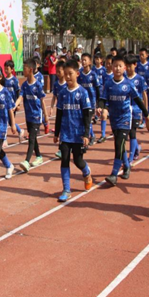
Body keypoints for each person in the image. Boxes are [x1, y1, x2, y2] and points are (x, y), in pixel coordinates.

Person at [99, 56, 149, 185]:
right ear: (111, 67)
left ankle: (114, 174)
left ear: (124, 68)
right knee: (119, 144)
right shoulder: (109, 84)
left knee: (119, 144)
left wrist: (146, 113)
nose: (117, 68)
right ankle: (126, 166)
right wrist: (100, 107)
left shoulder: (128, 84)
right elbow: (103, 99)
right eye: (115, 66)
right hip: (114, 118)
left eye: (120, 66)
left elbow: (138, 99)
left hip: (125, 118)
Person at [53, 59, 93, 202]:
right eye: (66, 74)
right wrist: (56, 133)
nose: (68, 77)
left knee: (77, 160)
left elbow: (87, 115)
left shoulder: (82, 93)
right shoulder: (63, 93)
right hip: (65, 133)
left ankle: (86, 172)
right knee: (64, 159)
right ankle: (66, 189)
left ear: (77, 74)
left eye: (70, 74)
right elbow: (59, 114)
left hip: (78, 134)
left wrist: (86, 134)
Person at [18, 59, 48, 172]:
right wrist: (14, 105)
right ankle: (39, 156)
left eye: (24, 68)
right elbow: (20, 97)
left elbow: (42, 101)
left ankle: (27, 160)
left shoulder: (38, 85)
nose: (23, 70)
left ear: (30, 70)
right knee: (33, 137)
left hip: (36, 116)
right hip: (28, 116)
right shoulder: (24, 85)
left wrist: (45, 115)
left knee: (31, 138)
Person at [125, 54, 148, 164]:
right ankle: (137, 148)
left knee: (132, 131)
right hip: (125, 109)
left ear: (135, 65)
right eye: (127, 66)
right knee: (127, 132)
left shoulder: (140, 79)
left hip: (136, 109)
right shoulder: (123, 78)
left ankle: (130, 157)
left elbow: (144, 95)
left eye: (130, 66)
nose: (128, 68)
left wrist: (145, 111)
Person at [78, 53, 101, 146]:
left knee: (88, 119)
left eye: (85, 60)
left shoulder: (93, 75)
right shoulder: (79, 74)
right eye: (82, 60)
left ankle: (91, 136)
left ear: (89, 62)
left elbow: (97, 89)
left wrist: (98, 104)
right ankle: (88, 135)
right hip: (81, 101)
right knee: (83, 119)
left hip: (91, 102)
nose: (83, 62)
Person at [4, 60, 24, 142]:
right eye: (5, 68)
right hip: (5, 104)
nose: (6, 70)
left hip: (12, 104)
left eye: (7, 69)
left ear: (12, 69)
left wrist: (18, 104)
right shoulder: (3, 80)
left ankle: (20, 130)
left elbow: (18, 92)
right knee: (4, 120)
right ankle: (4, 139)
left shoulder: (14, 80)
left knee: (10, 121)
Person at [50, 60, 67, 159]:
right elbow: (54, 97)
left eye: (59, 71)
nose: (57, 73)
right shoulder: (56, 84)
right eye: (56, 71)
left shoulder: (68, 84)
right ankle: (61, 149)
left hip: (68, 110)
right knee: (61, 128)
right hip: (60, 110)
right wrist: (51, 108)